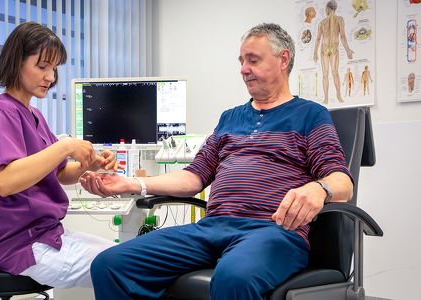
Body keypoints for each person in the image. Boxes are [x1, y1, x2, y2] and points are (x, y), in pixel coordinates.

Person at [80, 23, 354, 300]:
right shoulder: (230, 118)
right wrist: (130, 183)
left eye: (253, 60)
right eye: (242, 61)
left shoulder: (310, 114)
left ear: (283, 59)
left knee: (233, 277)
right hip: (211, 229)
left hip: (273, 231)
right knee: (109, 264)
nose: (243, 69)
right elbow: (194, 177)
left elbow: (341, 180)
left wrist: (319, 189)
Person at [0, 22, 121, 289]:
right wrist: (65, 146)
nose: (51, 77)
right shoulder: (2, 113)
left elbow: (58, 174)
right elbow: (4, 182)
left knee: (132, 255)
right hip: (21, 244)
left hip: (49, 233)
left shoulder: (34, 114)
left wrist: (90, 165)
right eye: (42, 67)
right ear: (16, 63)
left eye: (53, 69)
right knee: (130, 268)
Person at [313, 0, 354, 104]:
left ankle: (338, 95)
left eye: (326, 8)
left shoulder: (337, 20)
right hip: (326, 48)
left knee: (332, 73)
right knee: (328, 73)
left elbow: (343, 36)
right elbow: (318, 38)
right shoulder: (324, 22)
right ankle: (327, 97)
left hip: (329, 48)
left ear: (328, 8)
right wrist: (314, 52)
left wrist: (348, 49)